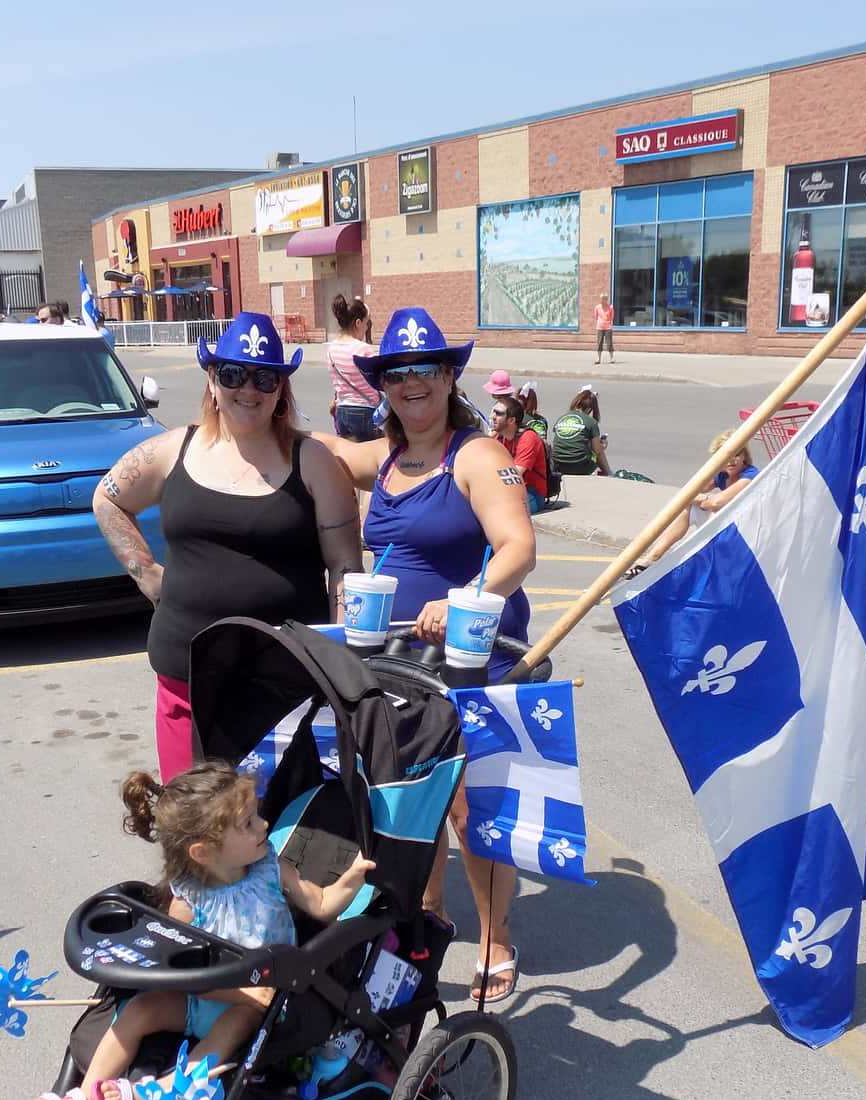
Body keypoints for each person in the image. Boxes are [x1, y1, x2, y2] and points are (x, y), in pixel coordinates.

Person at [318, 306, 537, 1004]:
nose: (413, 383)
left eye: (427, 370)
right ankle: (430, 912)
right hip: (402, 660)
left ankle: (497, 937)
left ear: (449, 378)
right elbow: (313, 452)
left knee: (473, 811)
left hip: (475, 656)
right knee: (415, 796)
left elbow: (519, 549)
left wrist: (464, 594)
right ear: (381, 386)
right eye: (398, 373)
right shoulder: (383, 459)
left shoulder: (477, 455)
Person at [21, 763, 374, 1100]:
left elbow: (319, 903)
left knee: (234, 1022)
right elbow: (180, 974)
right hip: (207, 991)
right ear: (203, 852)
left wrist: (350, 881)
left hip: (264, 999)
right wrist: (226, 989)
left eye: (257, 817)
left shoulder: (271, 867)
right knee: (141, 1009)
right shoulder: (186, 900)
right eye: (249, 823)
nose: (265, 826)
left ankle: (162, 1093)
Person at [92, 312, 362, 781]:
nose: (249, 389)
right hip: (185, 681)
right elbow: (108, 500)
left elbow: (344, 567)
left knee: (278, 828)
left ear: (282, 388)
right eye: (233, 374)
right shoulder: (172, 449)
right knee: (196, 829)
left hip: (286, 683)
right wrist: (147, 574)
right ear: (212, 381)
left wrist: (339, 658)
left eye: (265, 377)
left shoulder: (314, 462)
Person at [625, 432, 759, 577]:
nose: (731, 460)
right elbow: (687, 493)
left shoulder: (750, 475)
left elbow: (717, 502)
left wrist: (703, 499)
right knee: (690, 507)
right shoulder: (723, 475)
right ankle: (652, 557)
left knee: (694, 505)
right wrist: (705, 495)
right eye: (726, 456)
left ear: (744, 456)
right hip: (730, 526)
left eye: (737, 454)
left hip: (747, 534)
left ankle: (655, 559)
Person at [325, 294, 381, 442]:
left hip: (342, 412)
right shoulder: (364, 349)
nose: (367, 327)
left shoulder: (331, 350)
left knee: (350, 459)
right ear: (357, 323)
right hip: (366, 412)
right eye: (366, 323)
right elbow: (379, 380)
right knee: (371, 459)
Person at [490, 394, 549, 514]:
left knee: (498, 510)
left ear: (512, 420)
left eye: (499, 414)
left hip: (531, 492)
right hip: (508, 489)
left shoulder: (528, 438)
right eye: (494, 412)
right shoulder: (499, 436)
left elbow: (514, 475)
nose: (493, 417)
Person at [551, 385, 610, 480]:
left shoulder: (562, 418)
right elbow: (597, 450)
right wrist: (603, 446)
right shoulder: (591, 422)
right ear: (590, 408)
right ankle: (608, 472)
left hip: (558, 464)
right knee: (598, 449)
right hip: (580, 466)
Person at [594, 292, 616, 364]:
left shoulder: (610, 307)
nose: (603, 300)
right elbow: (596, 317)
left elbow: (612, 317)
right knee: (599, 342)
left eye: (605, 299)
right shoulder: (597, 307)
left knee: (609, 343)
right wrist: (600, 322)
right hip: (600, 327)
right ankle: (598, 358)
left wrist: (608, 323)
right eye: (602, 299)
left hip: (608, 327)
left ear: (607, 299)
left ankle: (612, 358)